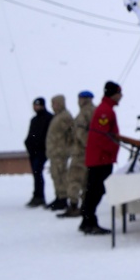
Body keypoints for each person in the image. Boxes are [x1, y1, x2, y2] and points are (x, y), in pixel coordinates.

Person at [80, 81, 134, 235]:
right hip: (101, 159)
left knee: (93, 190)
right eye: (119, 93)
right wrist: (113, 149)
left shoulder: (106, 109)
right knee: (96, 190)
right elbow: (102, 137)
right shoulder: (105, 111)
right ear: (114, 94)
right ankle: (89, 221)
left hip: (100, 157)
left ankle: (86, 220)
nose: (121, 96)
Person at [56, 90, 94, 220]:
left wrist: (86, 145)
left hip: (80, 153)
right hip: (89, 153)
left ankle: (73, 206)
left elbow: (80, 133)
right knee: (86, 181)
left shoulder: (84, 113)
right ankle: (85, 206)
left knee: (74, 179)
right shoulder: (94, 111)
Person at [44, 94, 74, 211]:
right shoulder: (57, 116)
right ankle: (58, 196)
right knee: (55, 174)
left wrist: (67, 148)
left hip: (61, 152)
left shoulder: (65, 117)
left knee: (61, 175)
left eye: (55, 104)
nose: (53, 106)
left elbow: (71, 133)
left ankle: (63, 198)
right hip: (54, 152)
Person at [24, 96, 53, 208]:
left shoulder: (49, 118)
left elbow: (49, 136)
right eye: (35, 105)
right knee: (36, 173)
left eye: (38, 105)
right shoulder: (34, 120)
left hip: (42, 151)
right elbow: (31, 135)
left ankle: (39, 197)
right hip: (33, 151)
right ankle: (37, 195)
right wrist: (28, 144)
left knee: (38, 172)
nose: (36, 107)